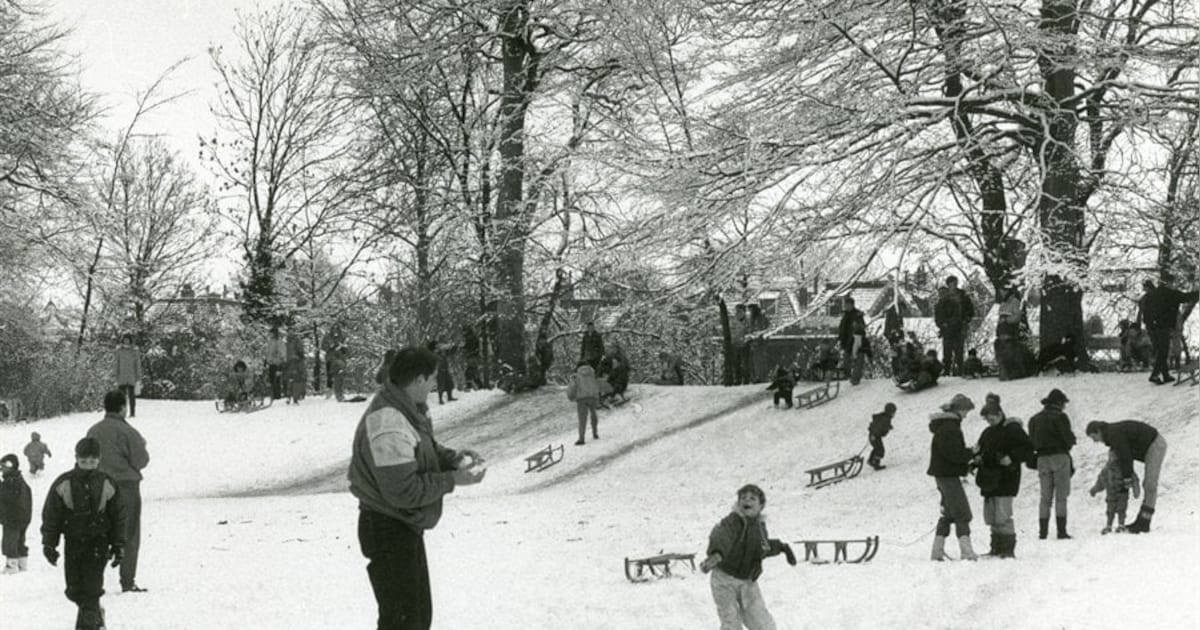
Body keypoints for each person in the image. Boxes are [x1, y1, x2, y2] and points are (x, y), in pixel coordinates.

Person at [347, 346, 486, 630]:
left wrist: (451, 458)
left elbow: (422, 447)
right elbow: (402, 491)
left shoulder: (404, 409)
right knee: (404, 621)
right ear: (418, 380)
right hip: (387, 528)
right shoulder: (388, 422)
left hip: (400, 526)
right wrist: (450, 481)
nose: (436, 384)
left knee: (416, 618)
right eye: (433, 378)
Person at [41, 437, 126, 630]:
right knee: (74, 589)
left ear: (99, 460)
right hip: (74, 541)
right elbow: (51, 515)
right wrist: (49, 544)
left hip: (99, 541)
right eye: (83, 461)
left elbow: (118, 516)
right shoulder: (64, 482)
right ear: (76, 459)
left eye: (92, 461)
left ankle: (90, 624)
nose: (88, 466)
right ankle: (94, 613)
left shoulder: (107, 483)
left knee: (92, 588)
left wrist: (118, 544)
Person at [699, 484, 796, 630]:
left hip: (748, 581)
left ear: (761, 505)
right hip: (724, 580)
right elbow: (723, 536)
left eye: (752, 498)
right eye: (743, 498)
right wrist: (717, 553)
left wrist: (782, 547)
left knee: (762, 623)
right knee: (731, 621)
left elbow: (762, 548)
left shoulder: (760, 527)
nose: (747, 501)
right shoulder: (732, 521)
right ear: (738, 503)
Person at [86, 390, 150, 592]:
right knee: (128, 533)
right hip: (126, 487)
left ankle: (93, 580)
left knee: (100, 533)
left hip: (99, 487)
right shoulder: (129, 432)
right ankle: (127, 581)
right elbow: (141, 460)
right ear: (123, 407)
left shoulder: (93, 431)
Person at [973, 393, 1033, 558]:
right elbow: (981, 449)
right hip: (989, 479)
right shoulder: (987, 432)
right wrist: (977, 458)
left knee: (1003, 514)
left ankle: (1007, 549)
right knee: (992, 515)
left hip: (1006, 478)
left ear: (999, 414)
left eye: (991, 419)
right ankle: (996, 548)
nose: (989, 422)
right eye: (987, 420)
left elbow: (1028, 449)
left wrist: (1012, 458)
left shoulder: (1013, 429)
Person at [1085, 420, 1167, 534]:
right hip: (1150, 446)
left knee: (1150, 484)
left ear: (1098, 431)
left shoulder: (1113, 434)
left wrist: (1128, 478)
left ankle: (1144, 522)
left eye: (1094, 437)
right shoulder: (1112, 434)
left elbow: (1125, 456)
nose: (1094, 441)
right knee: (1148, 484)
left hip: (1155, 445)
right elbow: (1124, 456)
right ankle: (1141, 521)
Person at [927, 394, 978, 561]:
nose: (966, 415)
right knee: (963, 513)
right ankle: (967, 552)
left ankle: (937, 550)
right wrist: (972, 452)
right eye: (966, 411)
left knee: (949, 513)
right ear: (960, 409)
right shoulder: (951, 427)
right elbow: (955, 454)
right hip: (948, 475)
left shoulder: (944, 426)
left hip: (942, 474)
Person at [1027, 388, 1075, 540]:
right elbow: (1068, 439)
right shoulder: (1061, 417)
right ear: (1059, 403)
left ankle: (1043, 533)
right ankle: (1061, 532)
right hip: (1060, 457)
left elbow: (1031, 441)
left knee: (1045, 497)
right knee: (1061, 496)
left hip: (1042, 459)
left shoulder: (1034, 419)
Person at [1137, 279, 1199, 384]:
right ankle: (1155, 375)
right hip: (1162, 327)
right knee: (1163, 351)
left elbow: (1144, 312)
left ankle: (1165, 375)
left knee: (1160, 351)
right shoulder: (1169, 293)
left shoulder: (1150, 296)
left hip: (1151, 327)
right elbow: (1185, 297)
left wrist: (1148, 324)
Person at [1089, 450, 1139, 534]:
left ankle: (1120, 525)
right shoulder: (1107, 470)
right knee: (1111, 510)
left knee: (1121, 509)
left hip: (1122, 492)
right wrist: (1094, 490)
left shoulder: (1125, 468)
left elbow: (1134, 479)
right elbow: (1101, 481)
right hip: (1111, 493)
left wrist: (1136, 490)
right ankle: (1109, 525)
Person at [934, 276, 976, 377]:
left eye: (954, 283)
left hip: (959, 327)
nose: (953, 286)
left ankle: (960, 371)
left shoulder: (963, 295)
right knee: (947, 352)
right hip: (947, 328)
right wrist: (942, 324)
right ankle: (947, 371)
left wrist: (966, 320)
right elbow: (938, 314)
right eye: (951, 284)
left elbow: (970, 310)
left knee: (959, 351)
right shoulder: (944, 298)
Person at [1, 454, 32, 573]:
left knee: (10, 541)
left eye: (5, 465)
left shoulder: (11, 481)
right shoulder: (18, 479)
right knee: (19, 540)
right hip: (22, 517)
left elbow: (7, 498)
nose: (2, 468)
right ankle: (22, 564)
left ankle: (11, 566)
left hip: (13, 518)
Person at [994, 287, 1033, 381]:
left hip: (1010, 332)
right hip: (1001, 333)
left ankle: (1012, 372)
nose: (1001, 294)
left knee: (1011, 353)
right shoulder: (1002, 304)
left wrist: (1007, 320)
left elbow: (1017, 317)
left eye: (1003, 292)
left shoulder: (1015, 302)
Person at [566, 362, 601, 446]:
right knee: (594, 415)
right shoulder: (593, 374)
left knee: (582, 419)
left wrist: (571, 397)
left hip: (582, 399)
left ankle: (581, 439)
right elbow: (598, 385)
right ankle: (595, 433)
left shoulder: (576, 376)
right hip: (593, 397)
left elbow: (572, 387)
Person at [837, 297, 869, 385]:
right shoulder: (845, 315)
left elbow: (862, 327)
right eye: (845, 305)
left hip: (857, 340)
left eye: (848, 305)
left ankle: (855, 378)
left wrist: (857, 328)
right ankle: (848, 376)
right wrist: (840, 338)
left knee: (859, 360)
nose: (846, 307)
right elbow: (842, 328)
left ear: (852, 305)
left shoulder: (857, 315)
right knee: (846, 360)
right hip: (846, 341)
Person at [113, 334, 142, 418]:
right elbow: (116, 364)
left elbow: (137, 364)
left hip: (131, 376)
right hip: (122, 376)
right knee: (121, 397)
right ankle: (121, 412)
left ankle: (132, 412)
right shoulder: (119, 351)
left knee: (132, 396)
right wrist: (116, 375)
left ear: (130, 340)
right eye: (125, 339)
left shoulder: (134, 351)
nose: (126, 341)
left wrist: (138, 376)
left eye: (128, 340)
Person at [867, 403, 896, 470]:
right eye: (893, 412)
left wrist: (888, 427)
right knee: (880, 450)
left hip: (874, 435)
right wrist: (874, 434)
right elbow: (879, 427)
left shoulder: (884, 417)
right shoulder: (886, 419)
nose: (894, 414)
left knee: (877, 448)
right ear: (890, 412)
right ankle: (875, 463)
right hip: (875, 436)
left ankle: (871, 460)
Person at [427, 340, 457, 405]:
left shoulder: (441, 352)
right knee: (441, 385)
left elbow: (450, 353)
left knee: (450, 383)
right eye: (437, 345)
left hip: (445, 369)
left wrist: (455, 347)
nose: (438, 346)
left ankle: (450, 397)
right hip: (439, 371)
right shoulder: (433, 354)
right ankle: (440, 400)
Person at [285, 331, 307, 404]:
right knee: (296, 381)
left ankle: (290, 396)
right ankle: (295, 397)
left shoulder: (288, 343)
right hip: (295, 362)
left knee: (292, 380)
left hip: (291, 362)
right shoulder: (293, 342)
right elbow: (301, 352)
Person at [266, 326, 287, 399]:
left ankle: (277, 395)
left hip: (277, 363)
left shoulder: (279, 341)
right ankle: (273, 394)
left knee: (277, 379)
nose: (270, 334)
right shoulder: (270, 341)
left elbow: (282, 352)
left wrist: (279, 359)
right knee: (272, 379)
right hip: (271, 362)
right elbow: (268, 351)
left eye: (271, 333)